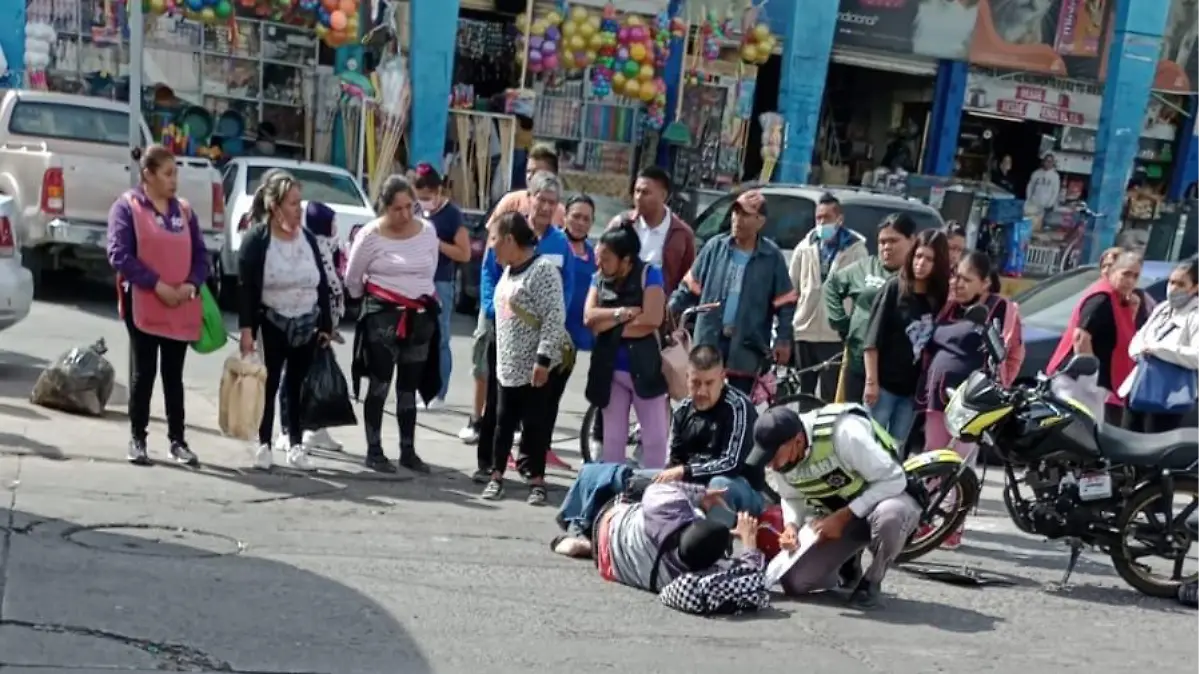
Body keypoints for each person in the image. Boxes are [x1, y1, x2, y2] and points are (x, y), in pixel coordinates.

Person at [746, 405, 920, 608]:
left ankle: (873, 578)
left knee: (890, 516)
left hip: (886, 500)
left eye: (773, 458)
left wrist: (843, 516)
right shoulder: (784, 457)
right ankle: (849, 560)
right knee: (796, 583)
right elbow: (791, 497)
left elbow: (895, 480)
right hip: (840, 515)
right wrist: (791, 526)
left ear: (799, 441)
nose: (771, 466)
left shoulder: (846, 433)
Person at [107, 145, 207, 467]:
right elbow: (119, 254)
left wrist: (190, 284)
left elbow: (202, 257)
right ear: (147, 175)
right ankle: (138, 438)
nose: (174, 180)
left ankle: (177, 441)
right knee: (144, 372)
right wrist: (157, 284)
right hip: (145, 302)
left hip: (181, 303)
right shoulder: (127, 207)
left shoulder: (185, 212)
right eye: (167, 173)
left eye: (175, 173)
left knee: (173, 376)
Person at [459, 145, 565, 444]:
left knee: (525, 377)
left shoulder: (560, 231)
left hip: (536, 322)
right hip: (499, 310)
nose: (544, 206)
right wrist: (493, 304)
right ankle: (478, 420)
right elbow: (490, 262)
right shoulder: (510, 210)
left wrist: (557, 315)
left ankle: (516, 434)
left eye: (540, 172)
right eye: (530, 172)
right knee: (485, 365)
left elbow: (566, 282)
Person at [473, 171, 576, 478]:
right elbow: (489, 273)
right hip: (505, 330)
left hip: (541, 338)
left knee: (537, 408)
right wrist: (494, 309)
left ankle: (531, 468)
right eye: (541, 199)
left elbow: (566, 288)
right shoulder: (509, 230)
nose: (545, 207)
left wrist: (551, 324)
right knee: (497, 402)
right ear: (529, 199)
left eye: (552, 202)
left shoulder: (560, 244)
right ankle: (489, 464)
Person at [922, 252, 1024, 548]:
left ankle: (952, 527)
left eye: (967, 279)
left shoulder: (1000, 309)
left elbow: (1013, 353)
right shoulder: (949, 307)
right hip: (938, 396)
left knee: (959, 465)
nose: (958, 283)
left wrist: (999, 386)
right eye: (956, 277)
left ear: (985, 283)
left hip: (972, 404)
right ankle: (926, 521)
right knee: (932, 458)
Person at [237, 171, 334, 472]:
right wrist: (247, 330)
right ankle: (263, 444)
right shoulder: (257, 240)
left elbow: (322, 284)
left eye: (300, 202)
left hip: (306, 322)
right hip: (273, 321)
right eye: (293, 203)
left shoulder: (307, 239)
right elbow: (247, 290)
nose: (299, 209)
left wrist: (326, 325)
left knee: (297, 386)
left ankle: (295, 446)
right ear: (275, 207)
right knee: (271, 383)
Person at [345, 175, 441, 474]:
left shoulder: (427, 232)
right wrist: (378, 304)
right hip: (382, 318)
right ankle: (374, 450)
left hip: (420, 319)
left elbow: (431, 268)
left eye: (409, 207)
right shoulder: (371, 235)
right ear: (384, 208)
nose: (404, 215)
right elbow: (352, 279)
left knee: (408, 388)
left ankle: (408, 450)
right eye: (397, 209)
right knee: (380, 383)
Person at [670, 189, 795, 394]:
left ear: (760, 221)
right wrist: (669, 309)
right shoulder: (714, 248)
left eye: (745, 215)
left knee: (738, 404)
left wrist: (783, 339)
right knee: (703, 397)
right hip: (710, 340)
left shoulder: (771, 257)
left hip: (747, 346)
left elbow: (785, 303)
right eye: (736, 213)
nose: (737, 219)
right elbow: (689, 288)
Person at [552, 478, 738, 595]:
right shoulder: (695, 581)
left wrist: (700, 495)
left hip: (607, 526)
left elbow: (659, 486)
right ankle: (590, 548)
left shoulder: (667, 510)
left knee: (627, 479)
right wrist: (750, 544)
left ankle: (576, 523)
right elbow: (750, 574)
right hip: (610, 566)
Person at [583, 220, 670, 467]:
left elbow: (652, 318)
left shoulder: (649, 274)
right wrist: (623, 314)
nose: (600, 264)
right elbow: (589, 317)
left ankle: (652, 492)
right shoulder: (597, 278)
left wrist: (608, 324)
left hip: (645, 369)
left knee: (654, 440)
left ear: (626, 259)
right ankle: (613, 492)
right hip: (610, 370)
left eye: (606, 259)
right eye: (598, 257)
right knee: (613, 439)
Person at [656, 344, 764, 527]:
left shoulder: (738, 407)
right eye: (696, 383)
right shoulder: (682, 410)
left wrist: (686, 471)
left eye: (709, 383)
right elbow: (673, 461)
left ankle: (718, 542)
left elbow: (731, 464)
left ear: (722, 378)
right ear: (687, 378)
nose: (702, 392)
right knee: (646, 478)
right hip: (695, 488)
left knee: (719, 484)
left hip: (740, 488)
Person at [863, 229, 951, 444]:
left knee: (896, 449)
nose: (921, 263)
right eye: (918, 256)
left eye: (929, 259)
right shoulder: (894, 288)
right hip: (883, 387)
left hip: (912, 392)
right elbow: (872, 339)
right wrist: (871, 382)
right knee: (869, 445)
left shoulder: (939, 298)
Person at [274, 201, 346, 453]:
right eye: (332, 221)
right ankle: (285, 430)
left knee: (317, 377)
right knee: (292, 377)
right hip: (306, 321)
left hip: (323, 324)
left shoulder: (330, 247)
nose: (336, 226)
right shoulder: (313, 246)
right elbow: (327, 287)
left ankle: (316, 429)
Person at [1046, 250, 1149, 426]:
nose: (1130, 281)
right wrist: (1090, 378)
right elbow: (1081, 337)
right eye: (1126, 274)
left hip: (1092, 386)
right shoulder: (1101, 299)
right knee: (1080, 434)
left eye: (1135, 276)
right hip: (1078, 383)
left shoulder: (1120, 300)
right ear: (1112, 272)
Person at [825, 213, 917, 403]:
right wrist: (841, 323)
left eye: (893, 241)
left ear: (912, 240)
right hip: (858, 364)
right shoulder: (865, 268)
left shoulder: (917, 276)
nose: (886, 247)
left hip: (896, 373)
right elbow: (831, 285)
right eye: (882, 242)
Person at [789, 193, 867, 399]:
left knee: (829, 394)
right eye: (818, 218)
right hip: (805, 330)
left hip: (834, 335)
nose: (822, 223)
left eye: (827, 218)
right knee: (804, 394)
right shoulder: (805, 247)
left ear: (839, 219)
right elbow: (792, 288)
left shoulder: (855, 250)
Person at [413, 163, 469, 409]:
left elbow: (464, 253)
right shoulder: (414, 210)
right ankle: (419, 388)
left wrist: (437, 244)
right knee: (417, 339)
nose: (423, 202)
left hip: (441, 282)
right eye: (420, 198)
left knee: (441, 338)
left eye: (427, 197)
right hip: (416, 280)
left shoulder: (451, 215)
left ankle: (439, 393)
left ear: (438, 191)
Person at [1121, 258, 1200, 432]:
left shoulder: (1195, 316)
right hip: (1139, 386)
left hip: (1169, 395)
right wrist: (1140, 350)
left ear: (1195, 287)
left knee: (1154, 446)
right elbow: (1138, 339)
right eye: (1171, 282)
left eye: (1181, 284)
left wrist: (1159, 350)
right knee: (1127, 441)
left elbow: (1197, 356)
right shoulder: (1163, 308)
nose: (1173, 289)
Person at [606, 166, 696, 298]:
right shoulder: (621, 224)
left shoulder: (682, 234)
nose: (638, 197)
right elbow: (602, 264)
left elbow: (688, 279)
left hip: (658, 310)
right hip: (619, 307)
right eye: (637, 191)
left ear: (663, 196)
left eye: (645, 193)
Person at [563, 195, 598, 353]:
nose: (580, 223)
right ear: (565, 216)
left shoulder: (594, 256)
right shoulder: (551, 245)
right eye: (576, 216)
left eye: (586, 219)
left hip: (576, 337)